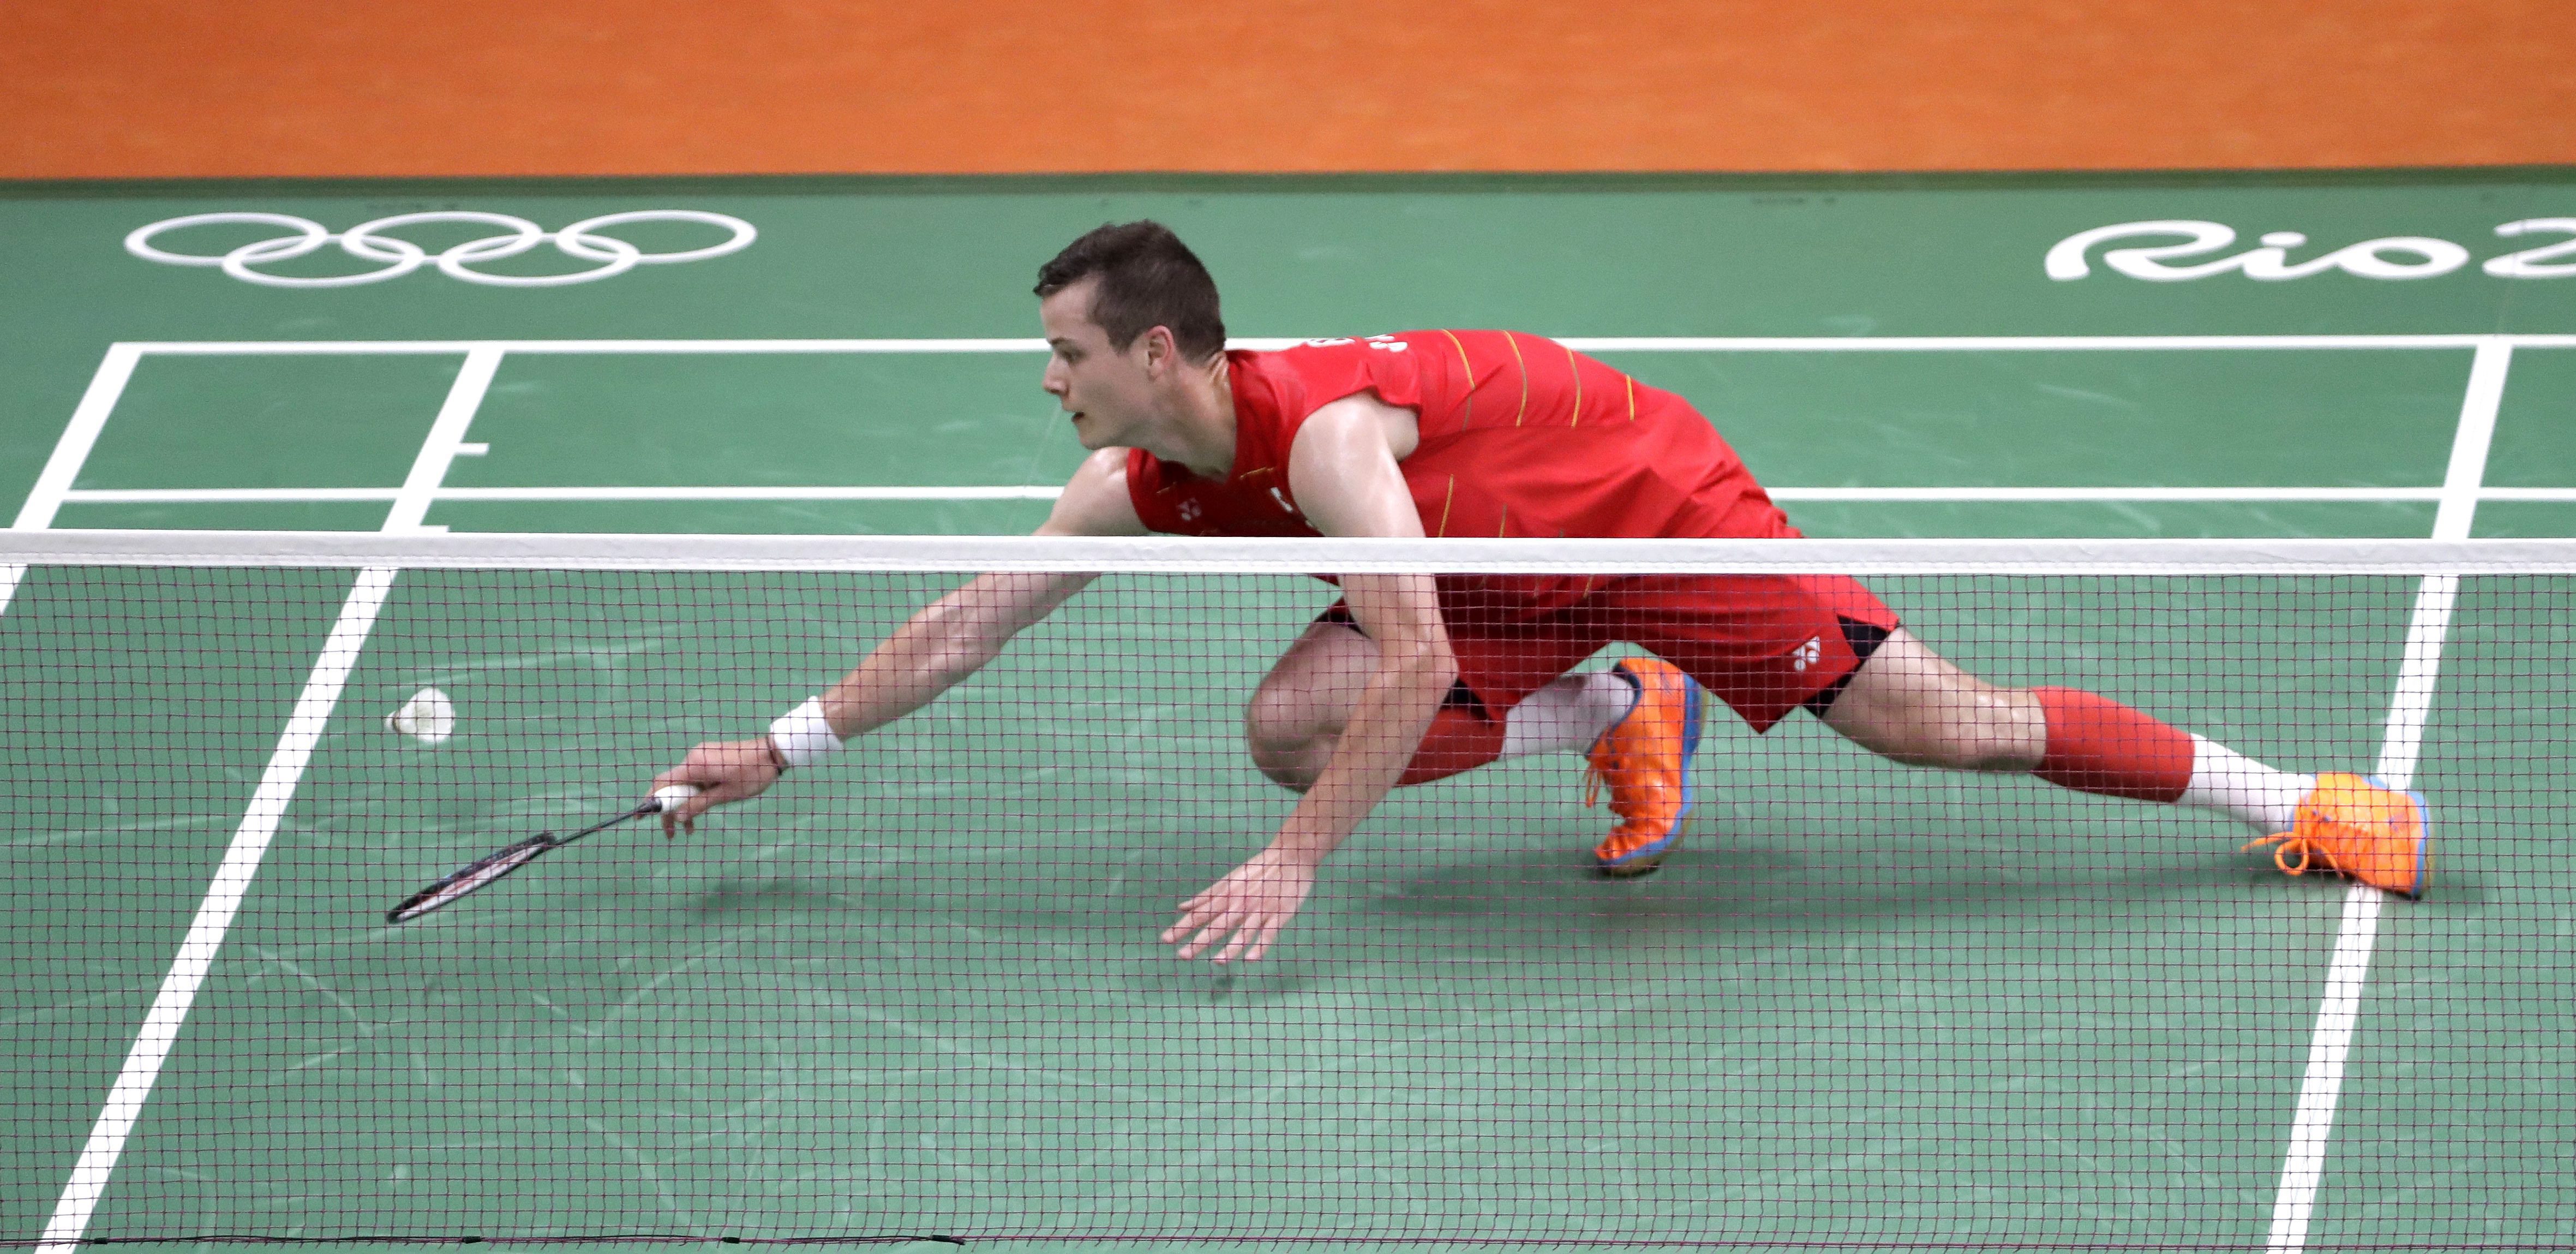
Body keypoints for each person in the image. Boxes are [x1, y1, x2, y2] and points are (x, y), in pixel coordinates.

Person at [653, 220, 2430, 964]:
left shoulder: (1331, 444)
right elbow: (974, 612)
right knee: (1289, 724)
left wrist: (1294, 867)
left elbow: (1415, 653)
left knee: (1929, 726)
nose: (1048, 380)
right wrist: (779, 746)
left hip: (1638, 507)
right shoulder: (1135, 481)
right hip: (1486, 570)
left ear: (1163, 348)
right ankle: (1611, 708)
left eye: (1066, 354)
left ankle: (2301, 797)